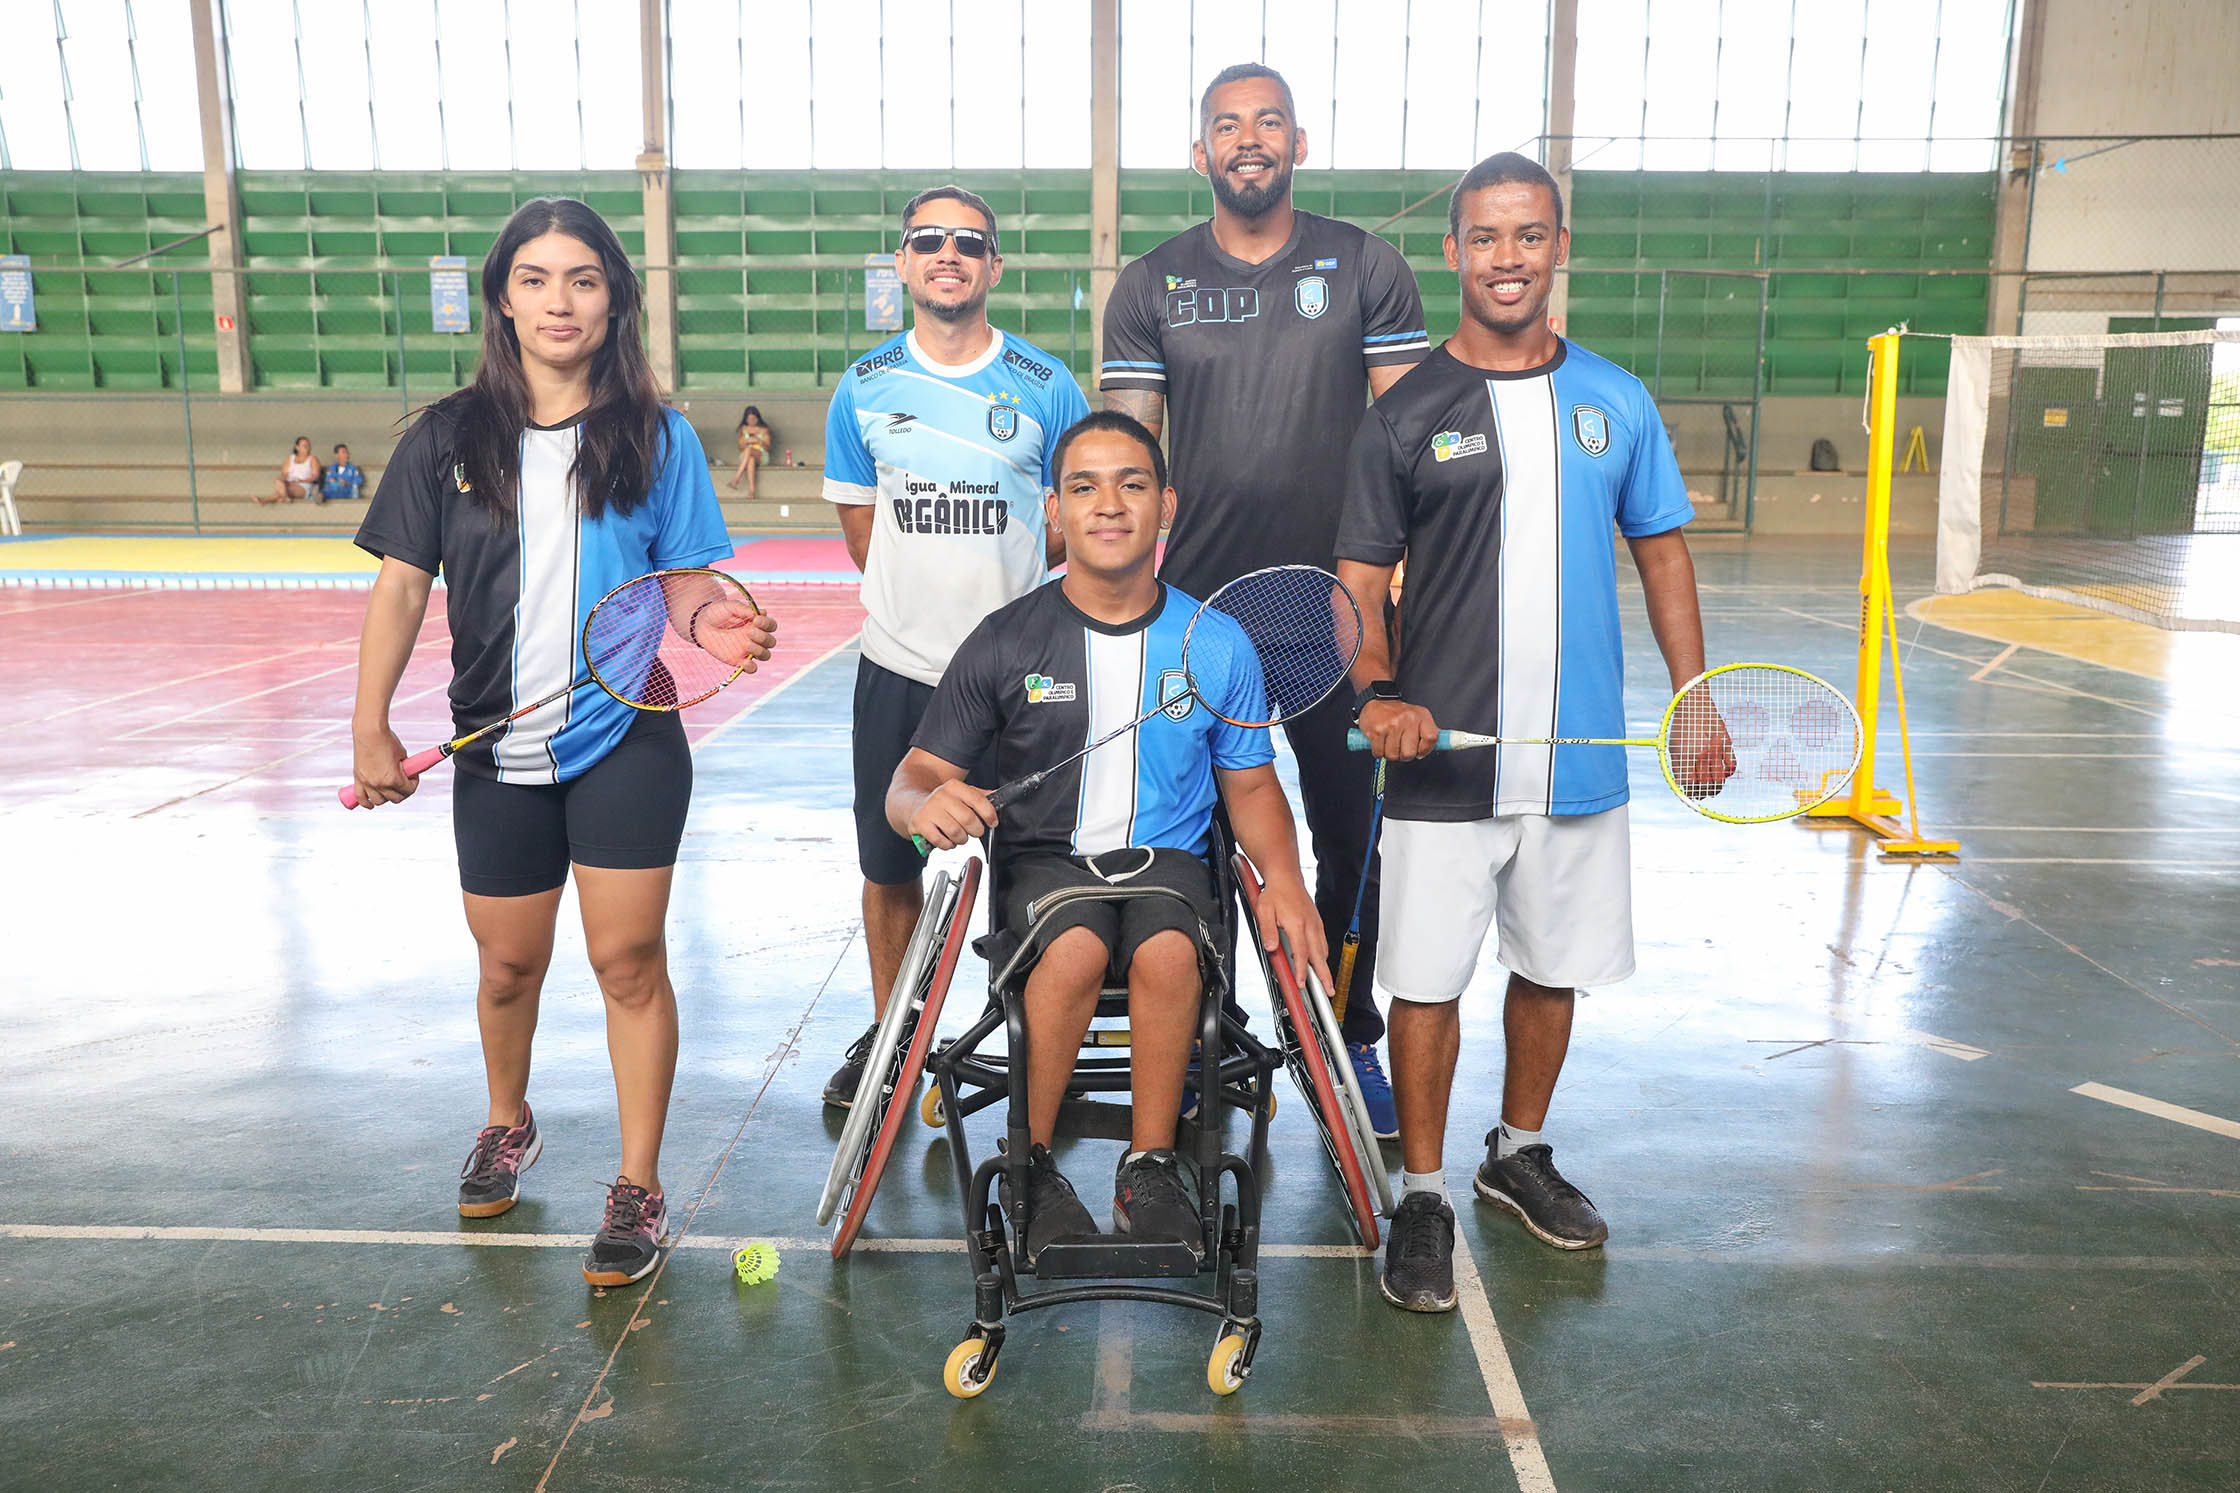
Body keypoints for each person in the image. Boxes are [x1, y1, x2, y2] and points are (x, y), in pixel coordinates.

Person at [346, 197, 777, 1288]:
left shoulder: (654, 432)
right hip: (492, 747)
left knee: (627, 960)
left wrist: (712, 617)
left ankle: (637, 1185)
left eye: (582, 278)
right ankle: (507, 1117)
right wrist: (369, 723)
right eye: (535, 277)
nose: (558, 299)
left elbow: (680, 583)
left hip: (625, 732)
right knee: (506, 965)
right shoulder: (444, 437)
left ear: (614, 298)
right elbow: (401, 587)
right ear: (501, 296)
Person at [1335, 153, 1722, 1313]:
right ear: (1451, 253)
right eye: (1485, 237)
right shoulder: (1402, 416)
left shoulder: (1615, 398)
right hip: (1443, 759)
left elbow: (1660, 550)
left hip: (1576, 755)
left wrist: (1692, 694)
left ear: (1558, 249)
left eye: (1529, 235)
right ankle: (1418, 1189)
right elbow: (1353, 580)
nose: (1507, 257)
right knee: (1422, 979)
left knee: (1552, 968)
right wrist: (1374, 691)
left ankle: (1516, 1151)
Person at [889, 410, 1327, 1262]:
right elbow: (911, 777)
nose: (1110, 504)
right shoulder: (1007, 638)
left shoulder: (1215, 640)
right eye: (1084, 487)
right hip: (1047, 866)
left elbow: (1250, 783)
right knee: (1078, 948)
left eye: (1132, 484)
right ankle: (1032, 1167)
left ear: (1168, 503)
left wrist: (1288, 882)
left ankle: (1152, 1164)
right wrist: (922, 809)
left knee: (1168, 953)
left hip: (1169, 866)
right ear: (1054, 511)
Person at [1099, 62, 1427, 1137]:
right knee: (1190, 839)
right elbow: (1128, 455)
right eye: (1226, 126)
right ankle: (1202, 1032)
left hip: (1334, 613)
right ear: (1199, 152)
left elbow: (1403, 440)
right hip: (1196, 617)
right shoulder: (1151, 284)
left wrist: (1383, 593)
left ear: (1297, 142)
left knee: (1351, 832)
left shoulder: (1365, 265)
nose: (1248, 140)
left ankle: (1347, 1030)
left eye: (1267, 122)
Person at [820, 185, 1091, 1108]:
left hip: (1020, 682)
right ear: (902, 261)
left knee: (1026, 870)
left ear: (993, 266)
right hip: (897, 669)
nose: (948, 253)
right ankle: (897, 1037)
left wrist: (1002, 598)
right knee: (889, 868)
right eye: (928, 240)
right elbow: (863, 530)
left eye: (968, 242)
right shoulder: (863, 386)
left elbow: (1067, 521)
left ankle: (1006, 1032)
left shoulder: (1049, 385)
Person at [728, 406, 773, 496]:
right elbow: (740, 447)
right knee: (751, 459)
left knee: (750, 450)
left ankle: (736, 478)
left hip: (761, 455)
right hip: (745, 456)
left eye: (753, 419)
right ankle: (752, 491)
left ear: (758, 418)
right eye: (749, 419)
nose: (751, 421)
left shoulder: (764, 430)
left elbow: (768, 447)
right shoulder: (743, 429)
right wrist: (746, 441)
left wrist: (759, 440)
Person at [262, 436, 321, 505]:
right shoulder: (290, 458)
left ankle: (266, 499)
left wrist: (300, 481)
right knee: (277, 480)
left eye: (308, 446)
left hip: (304, 485)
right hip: (290, 483)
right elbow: (284, 474)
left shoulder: (313, 459)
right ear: (297, 447)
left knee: (285, 491)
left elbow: (315, 476)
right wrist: (284, 481)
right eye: (304, 446)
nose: (307, 448)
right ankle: (284, 497)